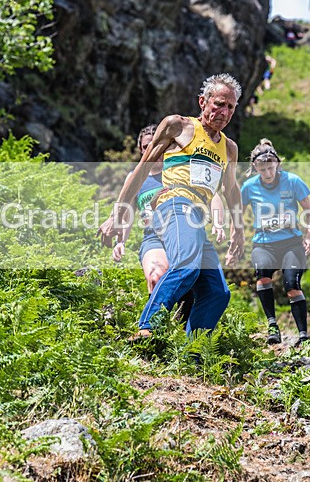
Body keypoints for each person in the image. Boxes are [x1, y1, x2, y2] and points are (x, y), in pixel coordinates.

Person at [99, 73, 245, 339]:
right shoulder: (179, 126)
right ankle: (146, 329)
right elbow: (141, 170)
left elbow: (231, 190)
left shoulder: (229, 148)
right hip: (175, 203)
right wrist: (116, 213)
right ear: (203, 101)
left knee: (217, 292)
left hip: (197, 217)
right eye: (219, 104)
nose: (224, 112)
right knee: (186, 266)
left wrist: (239, 230)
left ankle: (192, 353)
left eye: (230, 107)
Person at [111, 124, 227, 322]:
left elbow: (213, 193)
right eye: (145, 146)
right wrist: (120, 240)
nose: (151, 150)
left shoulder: (177, 169)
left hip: (180, 227)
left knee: (187, 276)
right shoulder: (135, 177)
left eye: (154, 145)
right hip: (153, 237)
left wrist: (218, 221)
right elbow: (128, 211)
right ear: (141, 149)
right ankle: (154, 326)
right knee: (156, 275)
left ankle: (179, 327)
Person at [241, 139, 310, 345]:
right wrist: (234, 239)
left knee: (291, 284)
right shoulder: (249, 187)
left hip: (291, 242)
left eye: (271, 168)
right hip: (264, 243)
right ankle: (272, 325)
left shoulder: (293, 181)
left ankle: (303, 336)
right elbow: (237, 214)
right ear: (255, 167)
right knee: (262, 274)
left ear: (278, 164)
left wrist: (309, 237)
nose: (267, 173)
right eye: (262, 169)